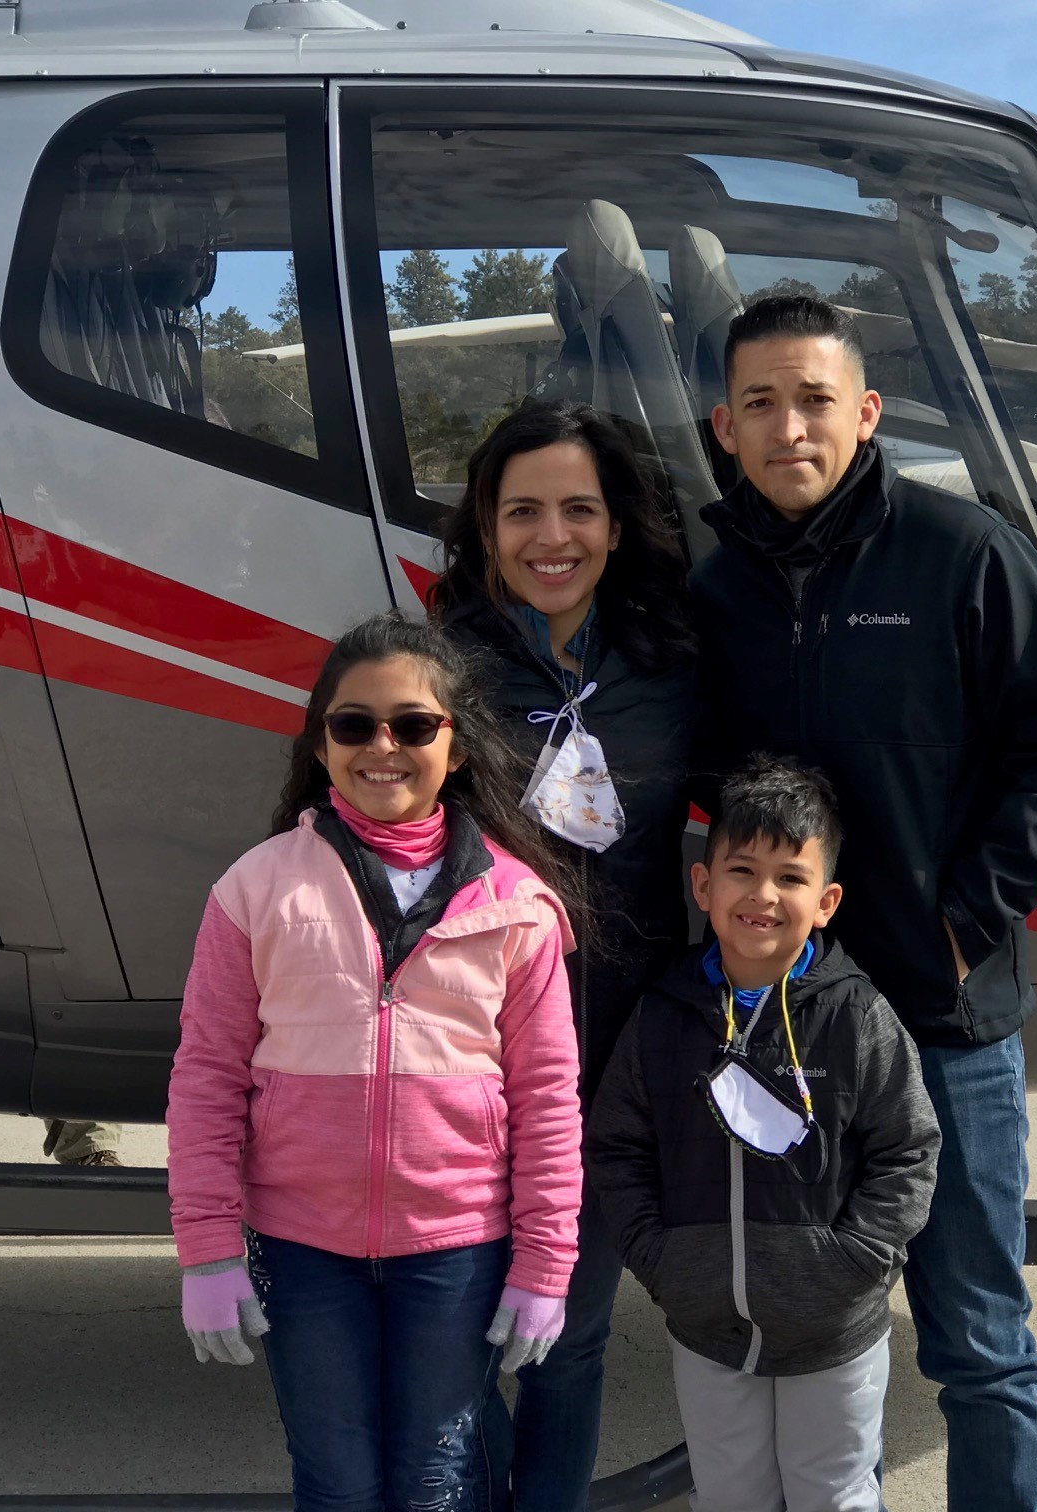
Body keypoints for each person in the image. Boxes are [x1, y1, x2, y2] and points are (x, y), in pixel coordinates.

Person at [690, 295, 1037, 1512]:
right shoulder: (716, 593)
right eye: (760, 405)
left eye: (815, 399)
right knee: (826, 1346)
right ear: (725, 428)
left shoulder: (962, 552)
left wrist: (961, 920)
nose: (789, 428)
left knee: (979, 1341)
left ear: (864, 412)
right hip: (790, 1030)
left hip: (947, 1021)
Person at [166, 613, 586, 1512]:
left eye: (413, 725)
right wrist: (207, 1250)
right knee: (338, 1483)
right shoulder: (256, 890)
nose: (381, 747)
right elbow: (207, 1075)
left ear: (458, 745)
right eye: (353, 724)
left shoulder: (518, 907)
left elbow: (550, 1097)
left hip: (459, 1249)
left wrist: (546, 1265)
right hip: (304, 1250)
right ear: (321, 743)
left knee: (439, 1477)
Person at [433, 402, 696, 1512]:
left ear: (618, 524)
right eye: (523, 511)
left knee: (570, 1336)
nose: (554, 537)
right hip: (462, 1059)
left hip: (612, 1054)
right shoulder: (436, 674)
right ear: (486, 530)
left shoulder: (676, 667)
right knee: (454, 1344)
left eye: (579, 509)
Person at [587, 756, 940, 1512]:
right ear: (703, 886)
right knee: (729, 1498)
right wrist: (662, 1259)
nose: (764, 895)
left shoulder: (857, 1016)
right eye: (742, 871)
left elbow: (908, 1148)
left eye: (790, 877)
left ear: (827, 902)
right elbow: (616, 1145)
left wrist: (856, 1264)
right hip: (706, 1326)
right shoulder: (663, 1015)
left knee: (834, 1496)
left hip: (833, 1330)